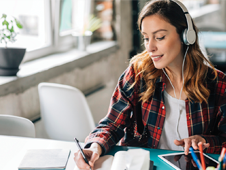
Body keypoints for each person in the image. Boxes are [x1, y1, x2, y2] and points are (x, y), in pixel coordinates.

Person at [74, 0, 226, 169]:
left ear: (185, 36)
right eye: (146, 38)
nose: (150, 47)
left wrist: (205, 141)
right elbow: (112, 123)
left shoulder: (218, 84)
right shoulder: (137, 74)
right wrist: (94, 146)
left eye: (159, 37)